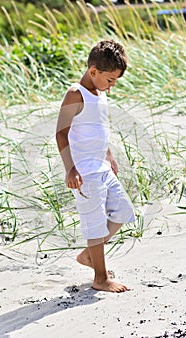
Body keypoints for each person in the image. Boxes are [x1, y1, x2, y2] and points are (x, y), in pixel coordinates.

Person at [56, 39, 135, 293]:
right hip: (85, 172)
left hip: (101, 166)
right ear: (93, 72)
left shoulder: (99, 94)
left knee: (123, 211)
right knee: (95, 223)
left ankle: (89, 256)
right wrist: (70, 169)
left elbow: (100, 129)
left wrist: (109, 155)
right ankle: (100, 278)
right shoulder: (75, 94)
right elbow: (61, 133)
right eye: (110, 80)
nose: (111, 87)